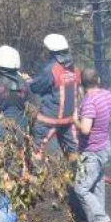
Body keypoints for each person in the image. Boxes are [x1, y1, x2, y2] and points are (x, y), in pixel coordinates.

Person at [72, 68, 111, 222]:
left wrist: (74, 120)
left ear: (81, 84)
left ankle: (102, 221)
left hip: (92, 152)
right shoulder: (107, 95)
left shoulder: (89, 102)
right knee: (97, 184)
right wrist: (107, 120)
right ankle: (97, 220)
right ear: (98, 80)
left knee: (81, 188)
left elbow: (85, 129)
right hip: (105, 148)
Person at [25, 34, 80, 164]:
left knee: (36, 150)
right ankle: (77, 179)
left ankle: (35, 177)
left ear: (51, 51)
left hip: (48, 120)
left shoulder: (51, 69)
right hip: (68, 120)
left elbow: (36, 88)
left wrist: (28, 81)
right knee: (73, 152)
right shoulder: (74, 69)